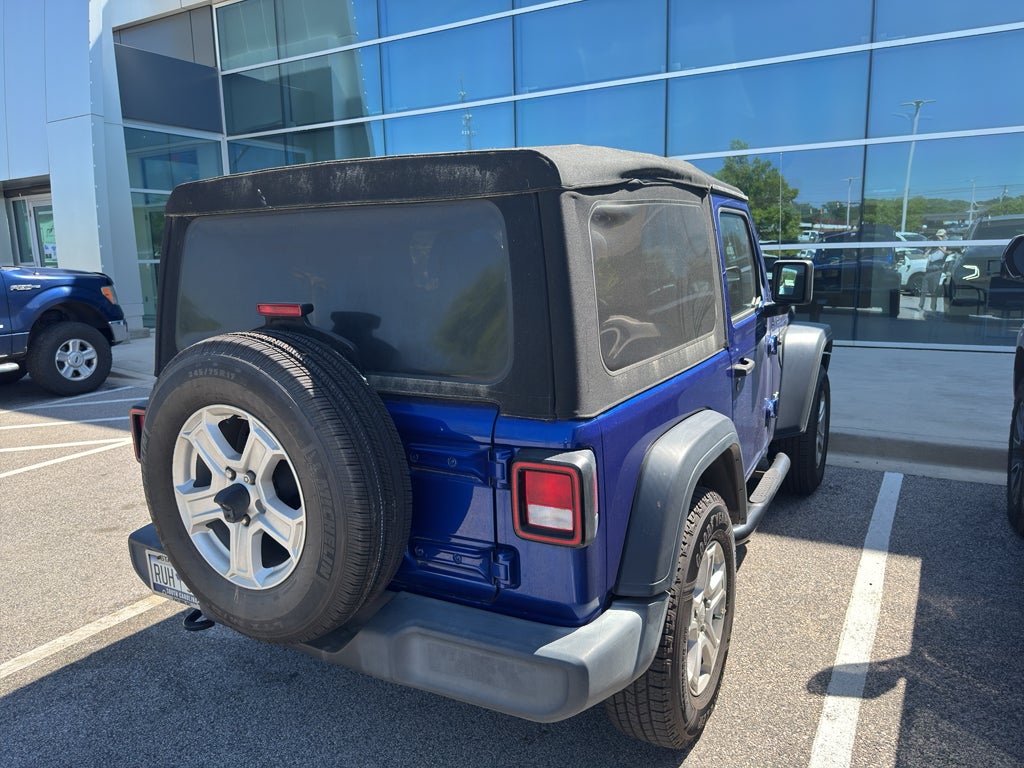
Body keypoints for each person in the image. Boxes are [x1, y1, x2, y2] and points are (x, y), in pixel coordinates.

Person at [918, 228, 950, 312]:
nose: (939, 238)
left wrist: (938, 246)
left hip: (936, 271)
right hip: (928, 270)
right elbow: (924, 255)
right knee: (923, 290)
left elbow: (941, 255)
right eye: (938, 237)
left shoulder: (944, 246)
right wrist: (929, 247)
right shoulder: (932, 248)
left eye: (941, 236)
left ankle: (933, 308)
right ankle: (921, 306)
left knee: (933, 291)